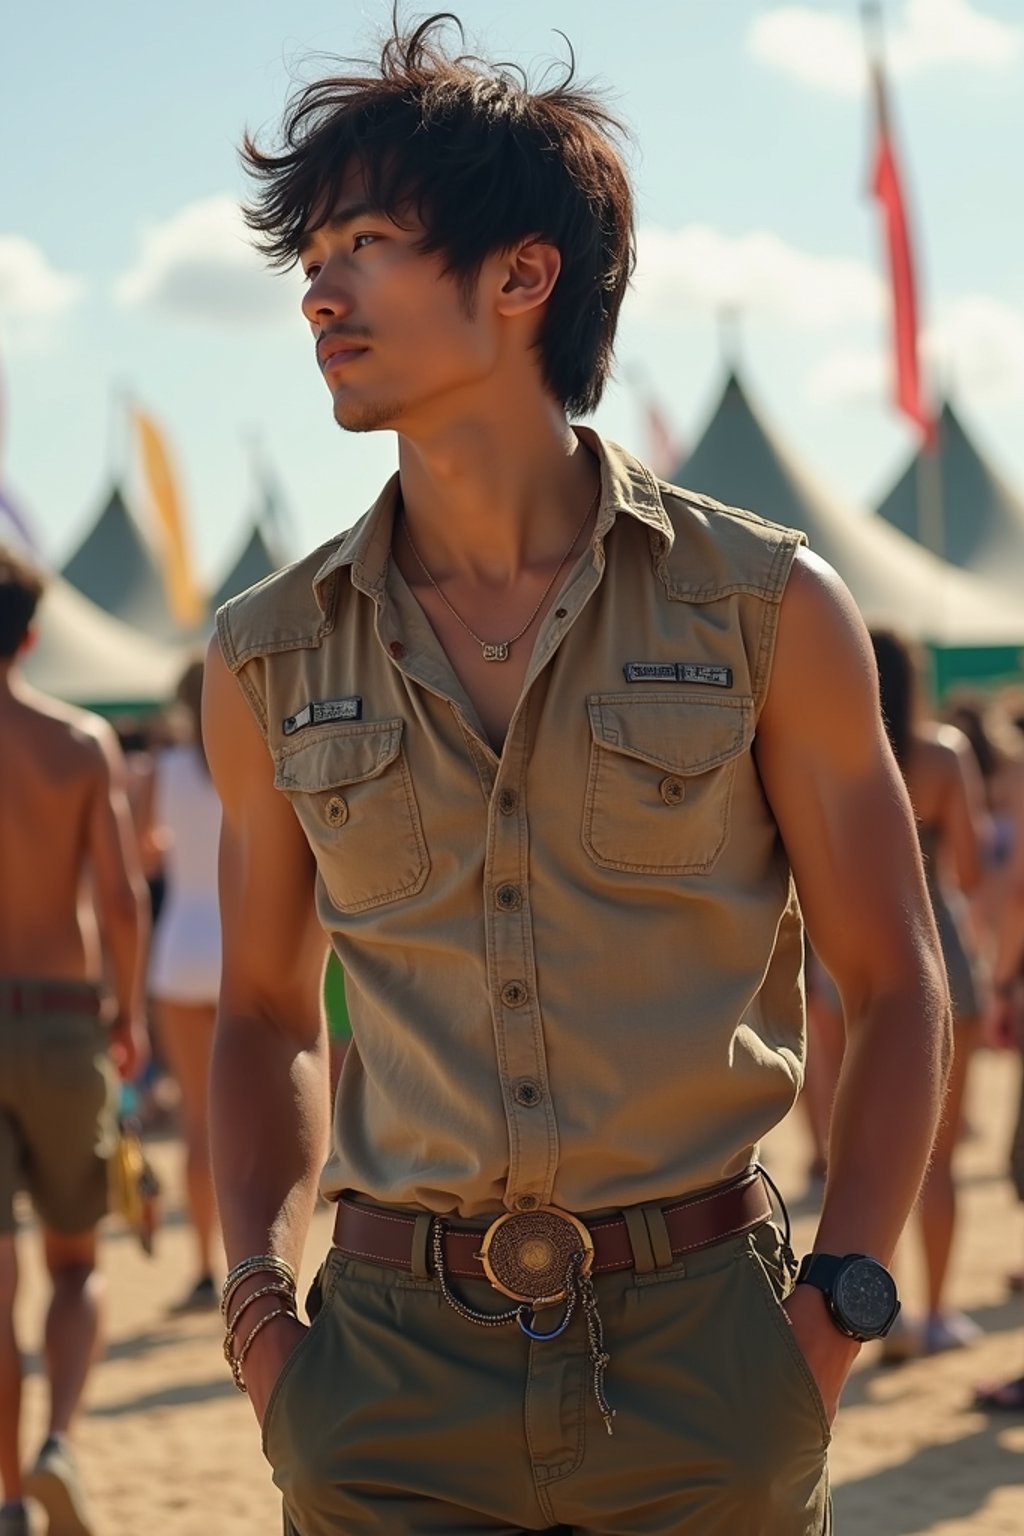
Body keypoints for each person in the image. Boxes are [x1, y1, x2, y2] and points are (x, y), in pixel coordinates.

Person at [203, 17, 950, 1534]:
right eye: (311, 256)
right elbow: (266, 1011)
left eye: (364, 242)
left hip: (707, 1362)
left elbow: (898, 982)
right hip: (382, 1376)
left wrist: (829, 1324)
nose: (319, 291)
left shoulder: (768, 610)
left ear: (521, 275)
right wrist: (259, 1324)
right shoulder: (265, 657)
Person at [0, 547, 148, 1536]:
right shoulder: (80, 741)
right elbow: (124, 898)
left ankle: (6, 1496)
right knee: (74, 1264)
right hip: (60, 1019)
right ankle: (59, 1443)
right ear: (34, 635)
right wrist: (127, 1014)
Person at [869, 633, 987, 1357]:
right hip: (940, 949)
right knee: (940, 1154)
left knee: (866, 1152)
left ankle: (877, 1311)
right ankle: (939, 1312)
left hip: (854, 951)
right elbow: (970, 870)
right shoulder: (942, 754)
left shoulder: (846, 751)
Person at [148, 658, 223, 1310]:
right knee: (258, 1116)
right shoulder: (249, 761)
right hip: (242, 948)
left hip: (179, 953)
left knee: (196, 1121)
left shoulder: (160, 774)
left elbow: (146, 857)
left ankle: (205, 1264)